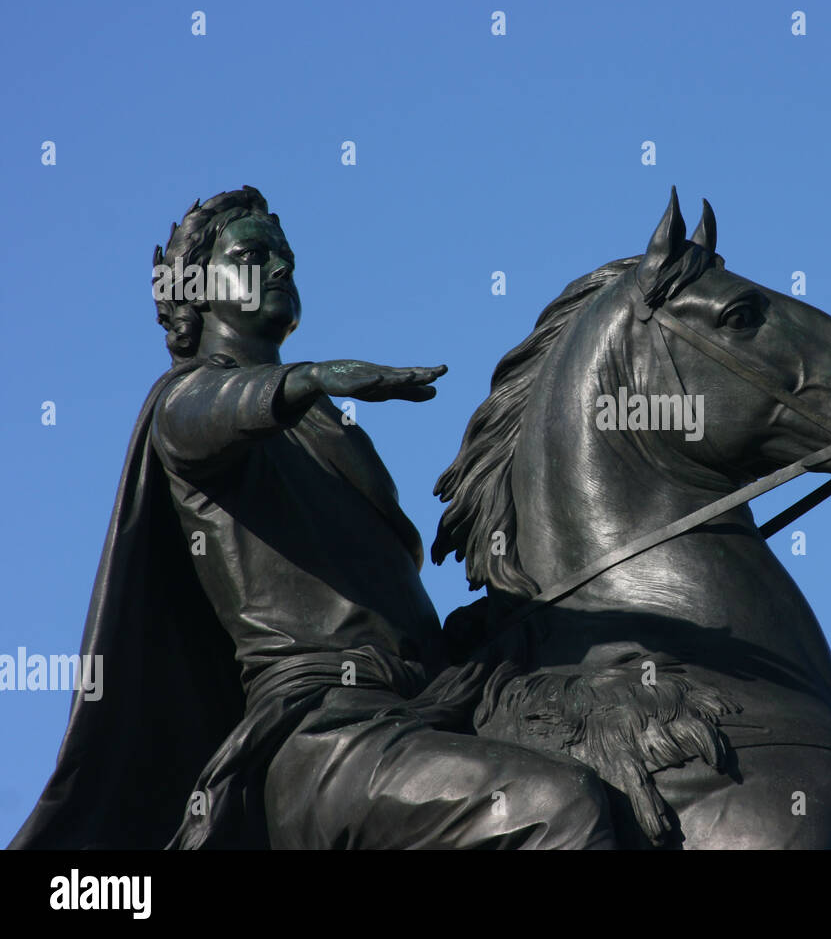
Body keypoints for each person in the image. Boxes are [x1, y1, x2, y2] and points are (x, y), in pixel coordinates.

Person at [10, 186, 615, 850]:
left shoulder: (328, 430)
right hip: (324, 739)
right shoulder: (187, 406)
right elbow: (208, 413)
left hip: (423, 708)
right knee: (559, 807)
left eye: (286, 255)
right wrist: (312, 378)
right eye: (254, 254)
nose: (280, 266)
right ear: (196, 289)